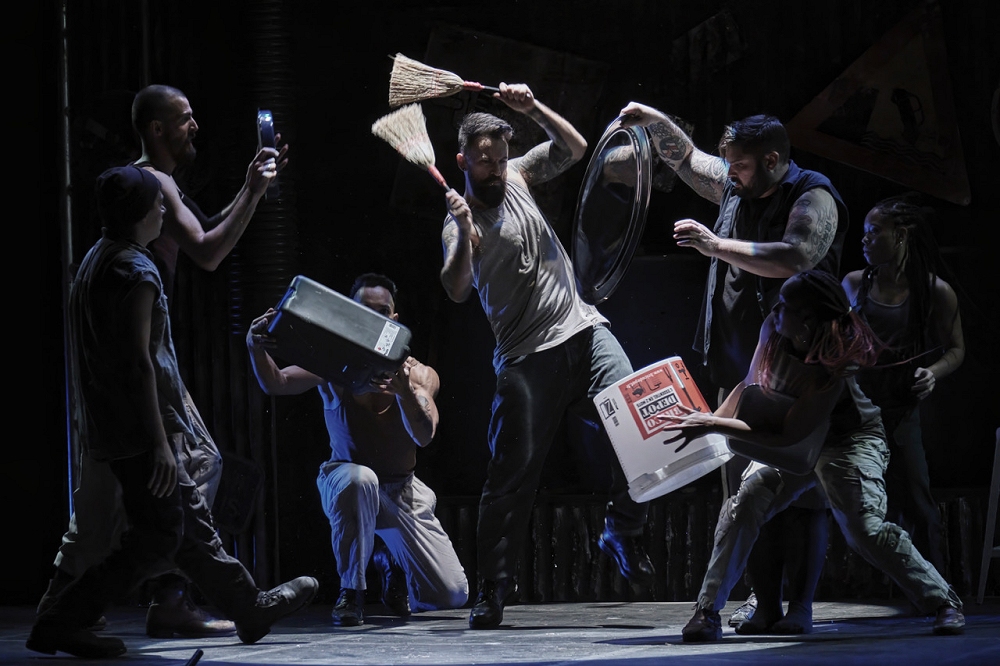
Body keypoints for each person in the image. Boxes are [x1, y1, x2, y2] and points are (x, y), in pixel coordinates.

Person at [27, 166, 317, 659]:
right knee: (159, 534)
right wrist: (160, 442)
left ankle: (248, 606)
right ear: (141, 211)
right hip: (141, 430)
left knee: (184, 527)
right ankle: (61, 619)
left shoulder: (97, 258)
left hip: (117, 426)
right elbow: (139, 362)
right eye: (158, 202)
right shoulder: (135, 271)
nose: (165, 209)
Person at [619, 105, 849, 633]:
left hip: (799, 372)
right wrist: (652, 119)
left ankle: (800, 609)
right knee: (741, 495)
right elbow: (688, 160)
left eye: (740, 166)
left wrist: (716, 246)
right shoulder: (736, 186)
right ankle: (762, 604)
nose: (731, 175)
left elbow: (796, 256)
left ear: (771, 160)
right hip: (740, 366)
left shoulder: (812, 195)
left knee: (803, 494)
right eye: (730, 165)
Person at [442, 83, 653, 630]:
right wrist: (463, 229)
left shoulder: (516, 176)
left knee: (638, 423)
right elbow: (456, 287)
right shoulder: (461, 222)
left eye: (499, 157)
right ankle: (493, 587)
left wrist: (531, 108)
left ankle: (624, 528)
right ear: (462, 161)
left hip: (583, 330)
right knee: (511, 475)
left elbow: (576, 149)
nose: (494, 169)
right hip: (526, 357)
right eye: (483, 161)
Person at [656, 269, 965, 642]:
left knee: (864, 529)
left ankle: (943, 601)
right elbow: (751, 386)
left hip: (846, 441)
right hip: (792, 439)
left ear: (806, 320)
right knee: (744, 504)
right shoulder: (774, 328)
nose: (776, 309)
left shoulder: (838, 361)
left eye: (785, 305)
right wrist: (709, 423)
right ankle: (706, 612)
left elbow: (790, 435)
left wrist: (712, 425)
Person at [246, 273, 469, 627]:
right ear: (351, 312)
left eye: (382, 312)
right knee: (361, 479)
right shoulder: (333, 366)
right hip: (347, 480)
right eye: (366, 310)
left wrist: (405, 394)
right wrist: (255, 347)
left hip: (402, 492)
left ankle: (388, 560)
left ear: (394, 319)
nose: (375, 319)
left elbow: (425, 435)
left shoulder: (418, 374)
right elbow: (278, 382)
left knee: (451, 595)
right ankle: (352, 592)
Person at [842, 194, 965, 576]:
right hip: (857, 414)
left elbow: (957, 349)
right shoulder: (854, 285)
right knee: (862, 506)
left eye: (875, 231)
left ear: (901, 235)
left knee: (917, 504)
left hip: (901, 413)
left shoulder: (935, 291)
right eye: (865, 232)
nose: (865, 239)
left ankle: (937, 591)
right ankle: (883, 587)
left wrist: (933, 372)